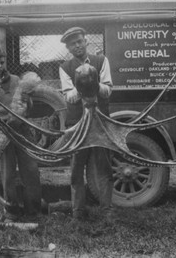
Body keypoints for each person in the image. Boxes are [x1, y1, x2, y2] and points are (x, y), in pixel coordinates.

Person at [0, 47, 42, 223]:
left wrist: (25, 106)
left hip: (23, 132)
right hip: (3, 134)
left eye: (2, 62)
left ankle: (33, 210)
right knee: (7, 175)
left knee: (31, 170)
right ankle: (12, 211)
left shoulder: (15, 80)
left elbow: (27, 102)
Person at [58, 27, 114, 221]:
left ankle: (107, 211)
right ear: (68, 48)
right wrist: (82, 82)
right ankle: (78, 213)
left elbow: (107, 90)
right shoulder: (65, 68)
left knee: (103, 167)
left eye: (80, 41)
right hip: (78, 124)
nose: (77, 46)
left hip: (99, 122)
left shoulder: (101, 61)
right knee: (76, 169)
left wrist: (94, 80)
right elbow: (70, 97)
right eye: (73, 44)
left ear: (86, 41)